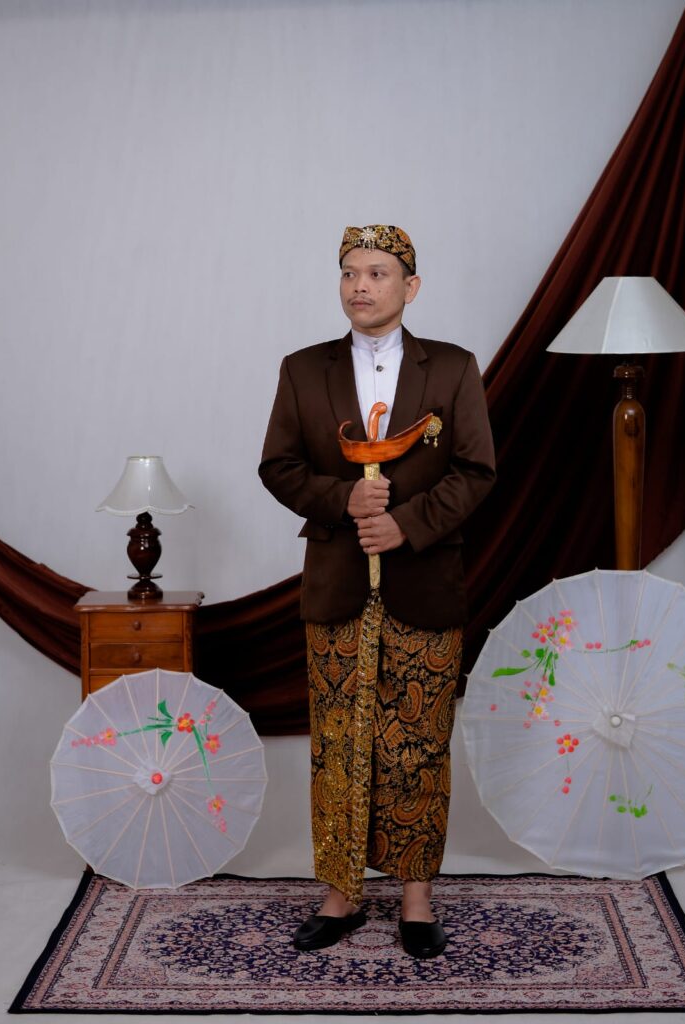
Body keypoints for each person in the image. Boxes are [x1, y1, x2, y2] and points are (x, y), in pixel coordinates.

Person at [259, 224, 495, 958]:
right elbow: (278, 466)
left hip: (425, 584)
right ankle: (340, 893)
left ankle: (417, 898)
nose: (360, 286)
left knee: (418, 745)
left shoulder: (452, 367)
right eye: (349, 273)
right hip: (335, 586)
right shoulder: (304, 369)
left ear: (410, 287)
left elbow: (477, 470)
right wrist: (343, 500)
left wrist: (404, 524)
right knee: (337, 743)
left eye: (377, 273)